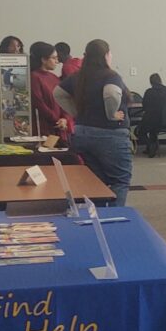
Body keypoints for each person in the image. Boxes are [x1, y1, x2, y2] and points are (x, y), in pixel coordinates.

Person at [54, 39, 132, 206]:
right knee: (120, 180)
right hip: (110, 134)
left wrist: (76, 112)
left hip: (82, 133)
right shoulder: (110, 75)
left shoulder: (78, 76)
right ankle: (112, 219)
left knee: (96, 181)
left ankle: (96, 216)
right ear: (106, 55)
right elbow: (111, 93)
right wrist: (111, 114)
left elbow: (58, 93)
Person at [29, 42, 73, 143]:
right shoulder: (34, 77)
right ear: (44, 59)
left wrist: (65, 118)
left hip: (59, 127)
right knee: (47, 155)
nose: (57, 61)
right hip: (45, 129)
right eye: (54, 58)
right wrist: (57, 119)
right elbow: (39, 103)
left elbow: (64, 100)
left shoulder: (54, 78)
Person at [139, 73, 166, 157]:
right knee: (153, 130)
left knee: (139, 131)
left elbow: (144, 107)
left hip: (152, 120)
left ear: (151, 82)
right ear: (160, 81)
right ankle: (151, 147)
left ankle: (151, 145)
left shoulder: (149, 92)